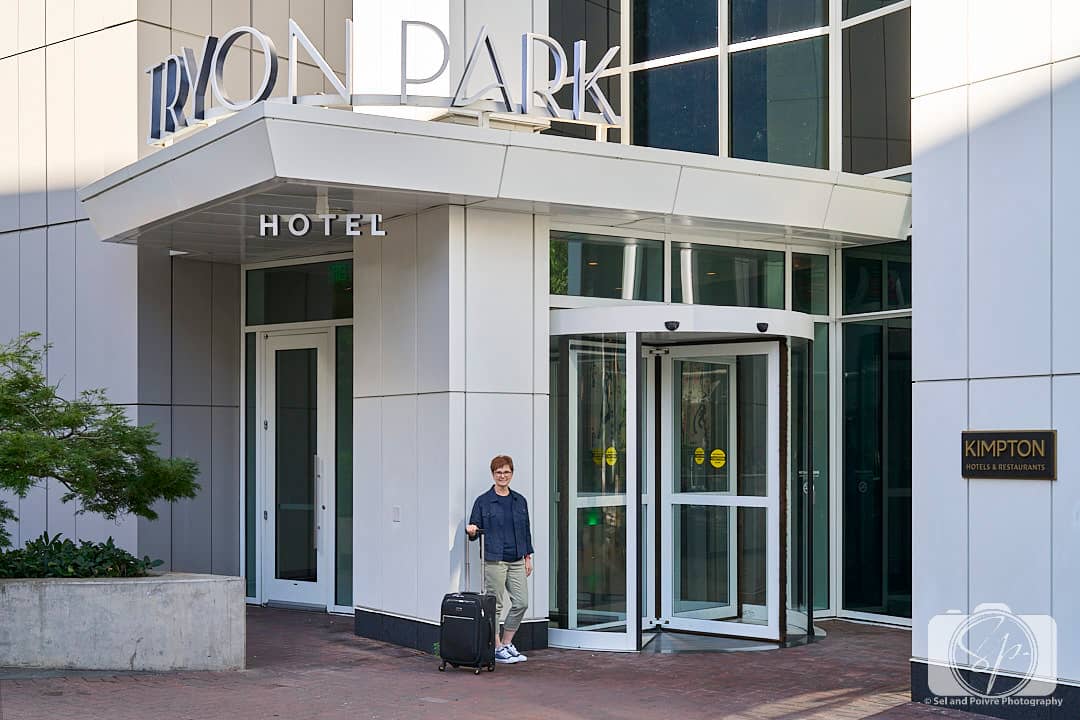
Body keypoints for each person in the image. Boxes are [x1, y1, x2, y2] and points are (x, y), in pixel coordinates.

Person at [466, 454, 534, 665]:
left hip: (516, 559)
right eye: (498, 472)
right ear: (493, 474)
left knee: (522, 602)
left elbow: (525, 531)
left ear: (512, 474)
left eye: (506, 472)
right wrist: (471, 530)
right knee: (494, 604)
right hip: (494, 559)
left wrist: (528, 557)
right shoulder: (483, 501)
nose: (502, 476)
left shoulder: (519, 500)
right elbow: (474, 529)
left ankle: (506, 643)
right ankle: (495, 647)